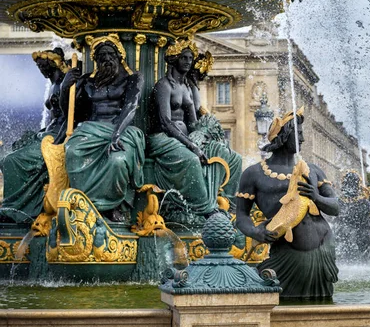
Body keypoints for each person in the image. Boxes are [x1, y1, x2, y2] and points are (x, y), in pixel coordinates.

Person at [235, 108, 340, 299]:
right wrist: (255, 231)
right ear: (283, 136)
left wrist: (316, 198)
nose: (302, 139)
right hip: (286, 255)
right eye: (297, 134)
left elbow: (336, 207)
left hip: (323, 251)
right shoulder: (254, 174)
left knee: (320, 309)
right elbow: (241, 216)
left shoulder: (313, 170)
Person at [147, 38, 241, 227]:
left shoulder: (188, 88)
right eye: (184, 58)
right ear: (174, 59)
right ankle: (206, 209)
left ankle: (230, 205)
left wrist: (203, 136)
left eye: (190, 58)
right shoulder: (164, 86)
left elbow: (193, 122)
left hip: (186, 138)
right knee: (191, 160)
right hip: (162, 139)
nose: (189, 61)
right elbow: (165, 122)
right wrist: (192, 145)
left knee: (233, 157)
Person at [61, 34, 145, 222]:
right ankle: (82, 204)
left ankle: (111, 205)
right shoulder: (86, 82)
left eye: (110, 54)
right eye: (101, 56)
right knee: (72, 152)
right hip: (91, 129)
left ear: (119, 56)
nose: (106, 59)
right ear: (96, 60)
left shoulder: (133, 78)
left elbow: (131, 106)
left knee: (117, 160)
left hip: (121, 129)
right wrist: (64, 88)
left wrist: (116, 134)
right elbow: (70, 112)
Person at [0, 48, 68, 222]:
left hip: (56, 137)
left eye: (45, 66)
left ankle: (16, 209)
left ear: (56, 64)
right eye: (40, 66)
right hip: (47, 133)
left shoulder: (66, 84)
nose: (42, 69)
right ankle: (15, 206)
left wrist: (56, 142)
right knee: (10, 155)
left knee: (12, 160)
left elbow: (70, 119)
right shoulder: (54, 84)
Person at [334, 171, 370, 263]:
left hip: (342, 242)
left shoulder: (337, 202)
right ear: (358, 185)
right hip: (362, 243)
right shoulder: (364, 203)